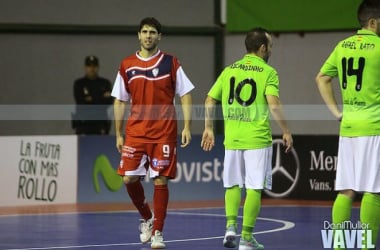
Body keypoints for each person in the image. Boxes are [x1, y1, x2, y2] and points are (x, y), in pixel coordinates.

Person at [201, 27, 293, 250]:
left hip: (232, 138)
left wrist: (209, 128)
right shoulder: (268, 72)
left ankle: (230, 227)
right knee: (254, 188)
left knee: (232, 184)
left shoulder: (229, 70)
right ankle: (246, 238)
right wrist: (286, 130)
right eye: (270, 46)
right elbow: (274, 104)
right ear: (262, 48)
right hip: (257, 139)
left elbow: (209, 100)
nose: (270, 50)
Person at [111, 17, 194, 249]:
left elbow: (185, 94)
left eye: (153, 32)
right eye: (145, 31)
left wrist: (188, 126)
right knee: (129, 178)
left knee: (160, 179)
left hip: (164, 132)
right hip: (136, 132)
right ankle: (147, 217)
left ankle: (158, 232)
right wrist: (118, 133)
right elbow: (119, 100)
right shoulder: (127, 64)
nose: (148, 35)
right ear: (139, 35)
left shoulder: (171, 62)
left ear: (159, 37)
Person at [315, 0, 380, 249]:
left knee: (346, 190)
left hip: (349, 127)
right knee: (373, 191)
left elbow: (321, 78)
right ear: (373, 22)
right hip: (374, 127)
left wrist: (337, 112)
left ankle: (339, 245)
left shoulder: (342, 46)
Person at [73, 55, 113, 135]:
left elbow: (109, 102)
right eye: (89, 66)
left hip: (101, 124)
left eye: (94, 66)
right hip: (83, 124)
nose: (92, 69)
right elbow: (81, 102)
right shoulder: (79, 84)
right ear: (85, 67)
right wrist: (100, 97)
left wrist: (91, 99)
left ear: (98, 67)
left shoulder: (105, 83)